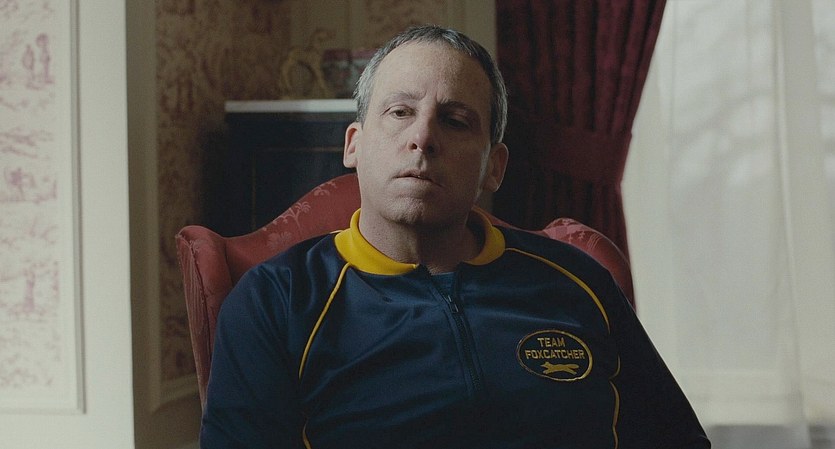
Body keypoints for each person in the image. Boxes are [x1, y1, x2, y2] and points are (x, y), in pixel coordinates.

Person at [200, 25, 710, 449]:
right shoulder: (277, 299)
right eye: (400, 112)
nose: (423, 137)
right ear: (354, 144)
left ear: (495, 167)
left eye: (456, 120)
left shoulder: (578, 282)